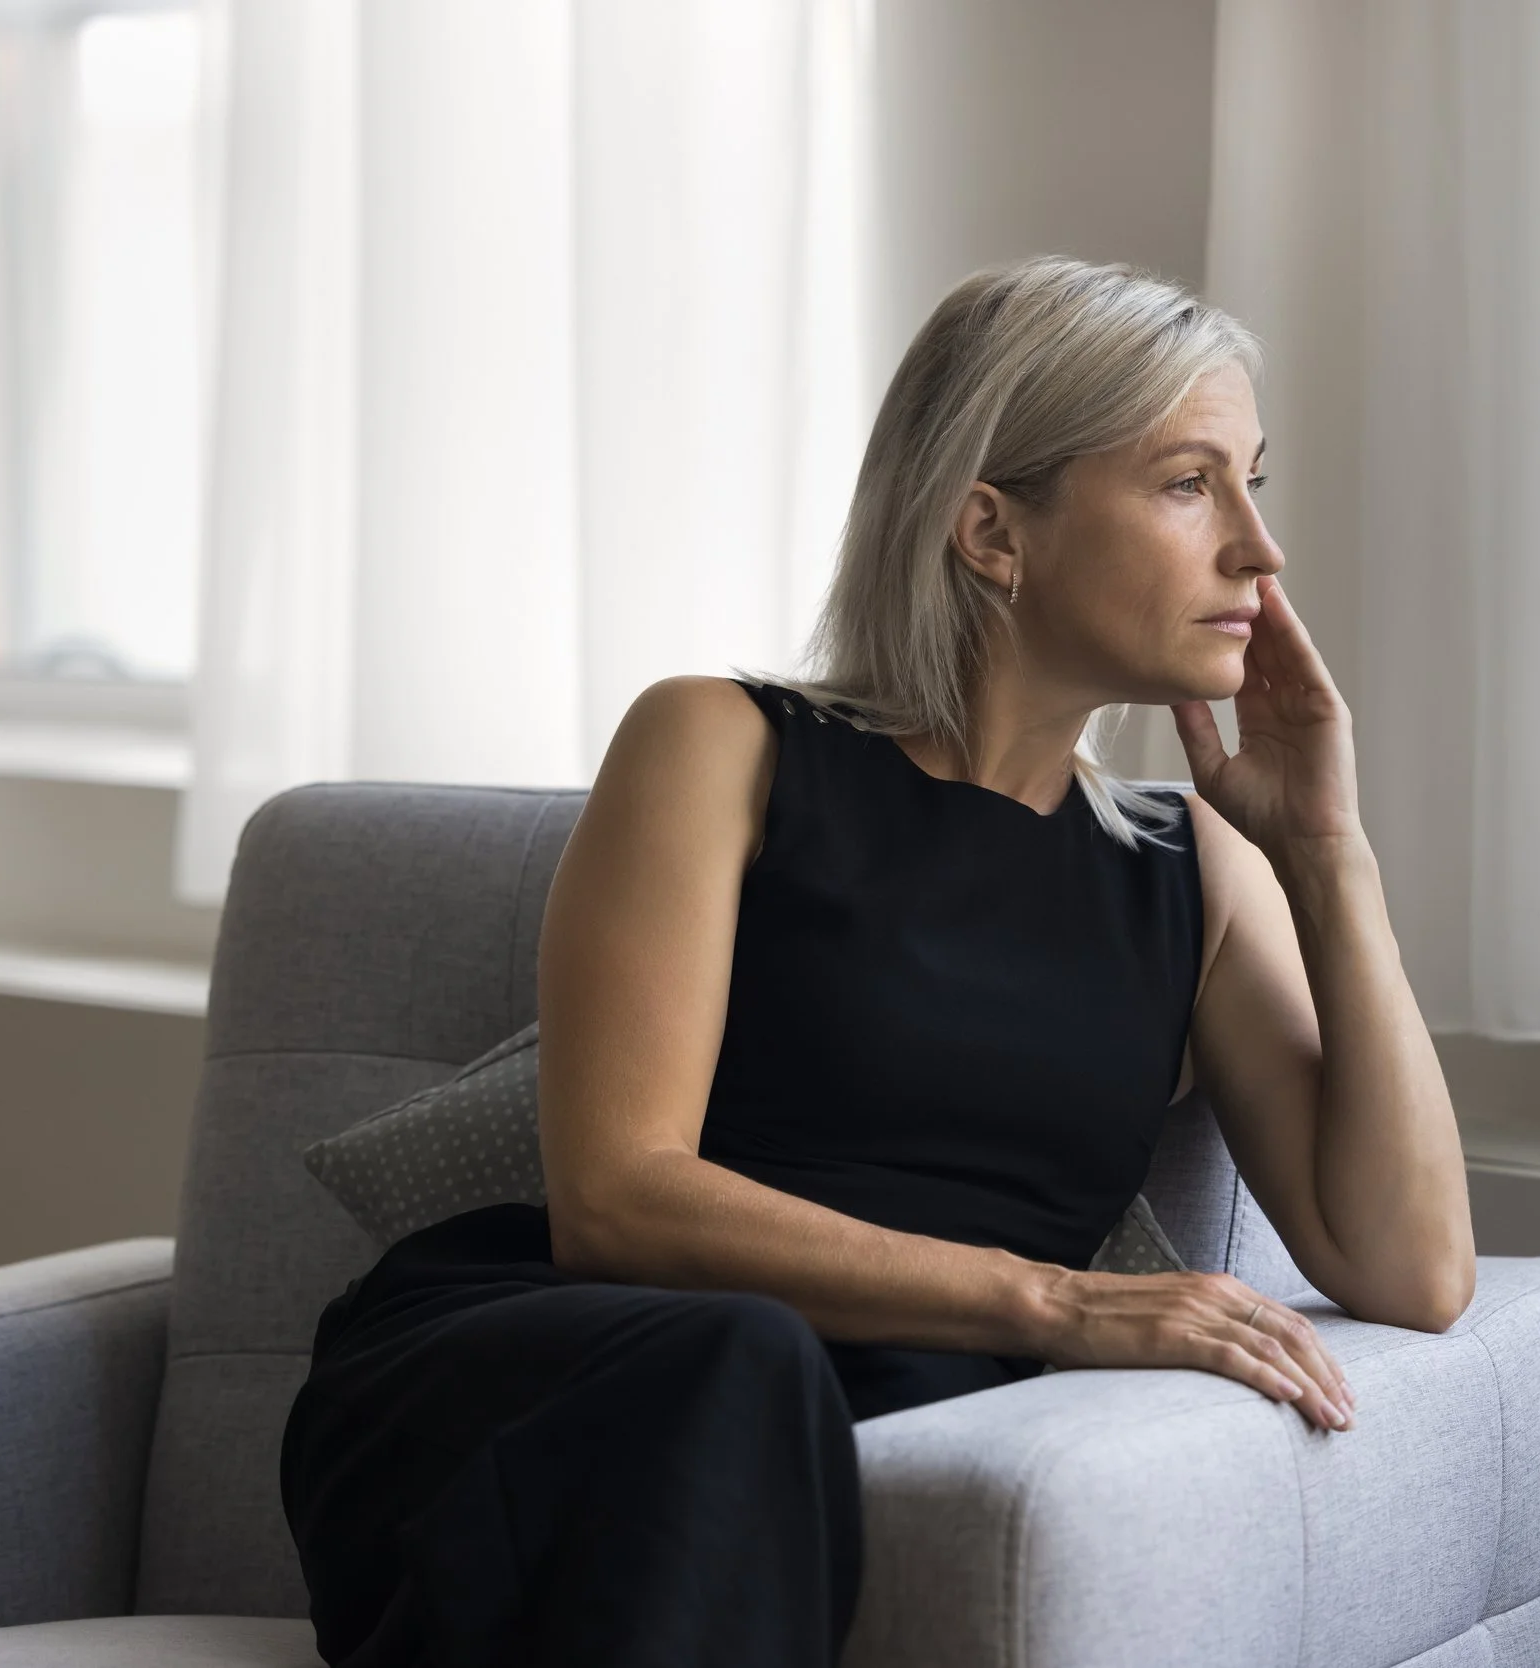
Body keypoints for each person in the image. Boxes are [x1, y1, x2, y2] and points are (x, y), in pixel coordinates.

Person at [278, 256, 1475, 1667]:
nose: (1257, 553)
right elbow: (618, 1199)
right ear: (989, 530)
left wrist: (1327, 852)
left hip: (868, 1415)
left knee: (774, 1386)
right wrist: (1055, 1300)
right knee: (746, 1364)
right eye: (1186, 484)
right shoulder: (721, 745)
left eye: (1251, 485)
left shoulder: (1196, 872)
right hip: (557, 1370)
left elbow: (1414, 1269)